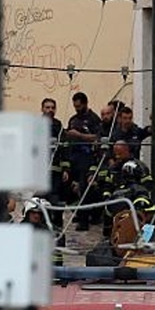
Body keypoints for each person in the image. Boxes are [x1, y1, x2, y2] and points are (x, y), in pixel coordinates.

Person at [64, 92, 103, 230]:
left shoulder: (94, 119)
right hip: (73, 157)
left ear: (85, 104)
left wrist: (80, 135)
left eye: (79, 106)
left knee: (84, 187)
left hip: (87, 158)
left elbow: (98, 137)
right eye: (75, 107)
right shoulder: (73, 119)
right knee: (72, 189)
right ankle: (79, 212)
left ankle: (84, 220)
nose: (77, 109)